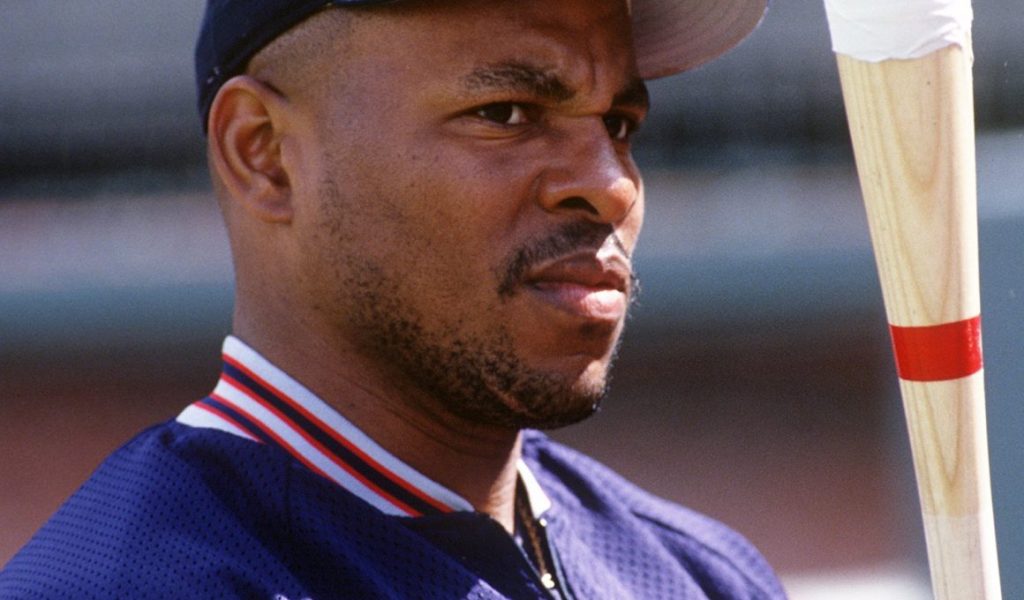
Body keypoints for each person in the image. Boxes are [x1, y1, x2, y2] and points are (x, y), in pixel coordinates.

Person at [0, 0, 787, 598]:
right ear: (264, 154)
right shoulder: (130, 582)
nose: (611, 186)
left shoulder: (698, 574)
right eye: (506, 114)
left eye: (619, 123)